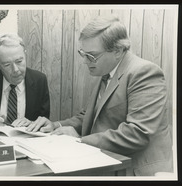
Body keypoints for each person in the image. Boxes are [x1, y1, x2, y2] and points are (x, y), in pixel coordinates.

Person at [25, 15, 173, 176]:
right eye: (83, 53)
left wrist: (79, 140)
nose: (85, 61)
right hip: (110, 163)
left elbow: (137, 133)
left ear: (117, 51)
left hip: (137, 170)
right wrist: (56, 126)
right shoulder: (105, 71)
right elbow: (90, 115)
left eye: (92, 55)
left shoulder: (144, 73)